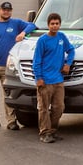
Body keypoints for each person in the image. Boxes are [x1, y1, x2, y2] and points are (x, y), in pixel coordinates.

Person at [0, 1, 35, 130]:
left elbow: (32, 25)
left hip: (8, 68)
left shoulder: (16, 23)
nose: (6, 12)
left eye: (9, 10)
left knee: (8, 95)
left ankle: (11, 121)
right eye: (4, 10)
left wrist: (23, 33)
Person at [33, 12, 75, 143]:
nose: (55, 26)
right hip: (45, 80)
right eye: (52, 24)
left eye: (57, 24)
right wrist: (38, 77)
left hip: (58, 80)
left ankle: (53, 130)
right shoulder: (42, 40)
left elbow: (71, 50)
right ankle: (44, 133)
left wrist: (68, 64)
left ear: (60, 25)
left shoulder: (62, 37)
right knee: (44, 108)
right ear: (48, 25)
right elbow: (37, 60)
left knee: (59, 107)